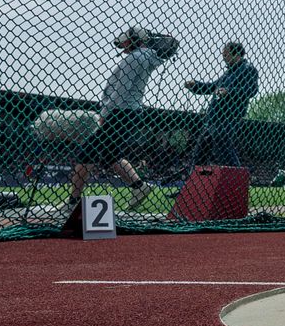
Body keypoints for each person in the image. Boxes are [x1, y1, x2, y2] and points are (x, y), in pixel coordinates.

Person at [71, 26, 167, 212]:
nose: (122, 44)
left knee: (86, 153)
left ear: (134, 40)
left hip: (119, 112)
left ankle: (72, 201)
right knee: (110, 156)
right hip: (130, 112)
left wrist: (105, 113)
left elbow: (120, 90)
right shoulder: (146, 57)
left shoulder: (133, 59)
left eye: (125, 41)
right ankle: (140, 186)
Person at [184, 41, 259, 168]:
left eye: (226, 54)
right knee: (201, 150)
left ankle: (236, 176)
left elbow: (251, 90)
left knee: (223, 145)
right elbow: (212, 87)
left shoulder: (247, 69)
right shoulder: (228, 73)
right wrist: (195, 85)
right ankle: (194, 180)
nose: (223, 57)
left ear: (236, 54)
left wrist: (229, 92)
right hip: (214, 117)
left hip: (230, 116)